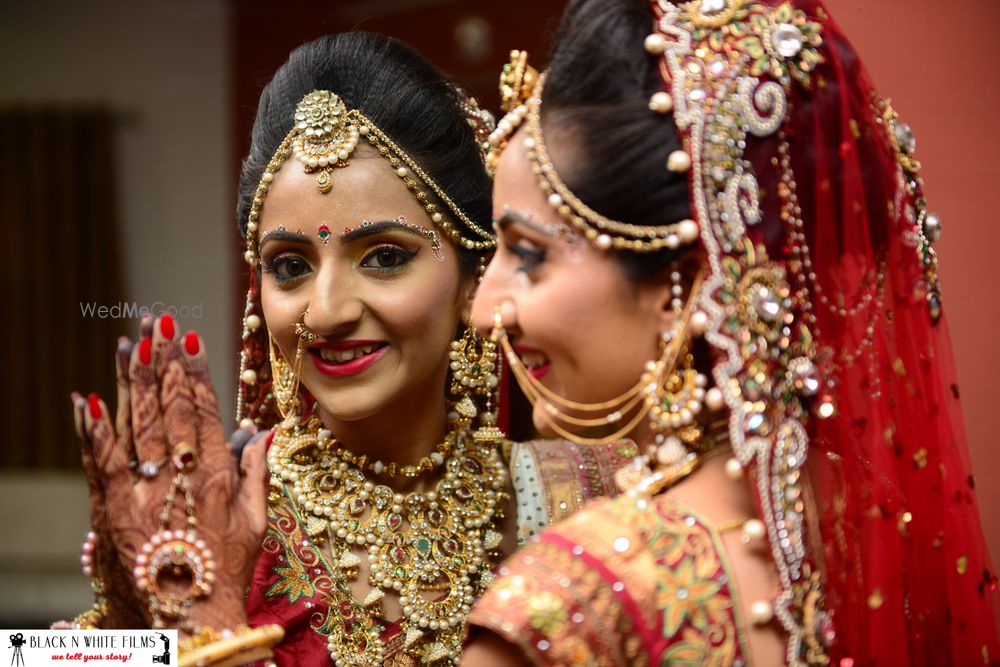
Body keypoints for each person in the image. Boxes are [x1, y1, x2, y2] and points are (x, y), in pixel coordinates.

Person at [67, 32, 633, 667]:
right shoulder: (206, 522)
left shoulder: (592, 496)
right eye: (290, 266)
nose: (327, 311)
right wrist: (149, 624)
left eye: (385, 257)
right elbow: (31, 653)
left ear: (474, 278)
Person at [461, 0, 1000, 665]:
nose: (484, 310)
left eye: (529, 254)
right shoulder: (881, 529)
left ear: (683, 284)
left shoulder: (573, 604)